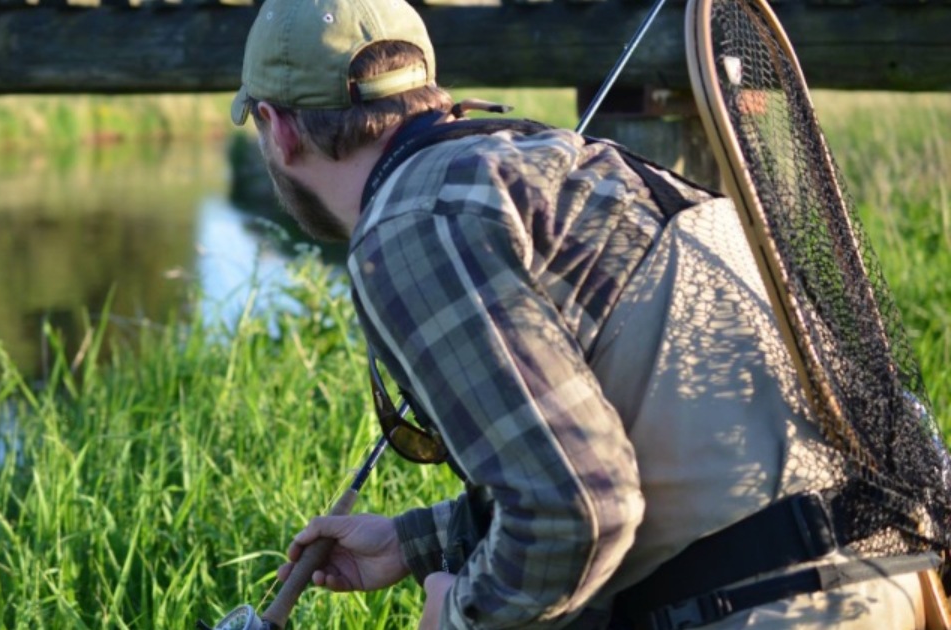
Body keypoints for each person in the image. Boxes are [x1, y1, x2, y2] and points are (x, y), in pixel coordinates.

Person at [230, 0, 939, 627]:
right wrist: (418, 544)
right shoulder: (561, 164)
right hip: (901, 584)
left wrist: (462, 616)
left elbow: (582, 512)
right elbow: (675, 453)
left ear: (276, 128)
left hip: (775, 610)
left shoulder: (410, 225)